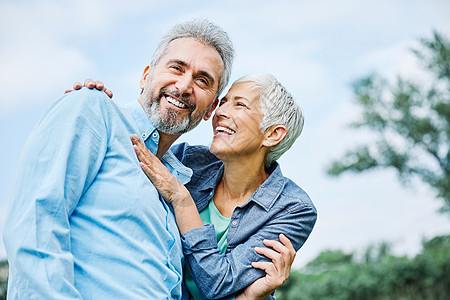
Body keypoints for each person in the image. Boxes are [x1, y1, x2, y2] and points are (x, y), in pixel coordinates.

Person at [3, 18, 235, 299]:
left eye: (202, 80)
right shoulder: (92, 109)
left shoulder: (180, 190)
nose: (185, 86)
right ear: (145, 76)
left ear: (210, 108)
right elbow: (35, 226)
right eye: (176, 67)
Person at [130, 73, 317, 299]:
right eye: (224, 101)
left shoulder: (293, 208)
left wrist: (182, 199)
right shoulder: (188, 159)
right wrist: (92, 104)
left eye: (239, 104)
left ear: (272, 134)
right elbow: (127, 151)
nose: (220, 112)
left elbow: (218, 284)